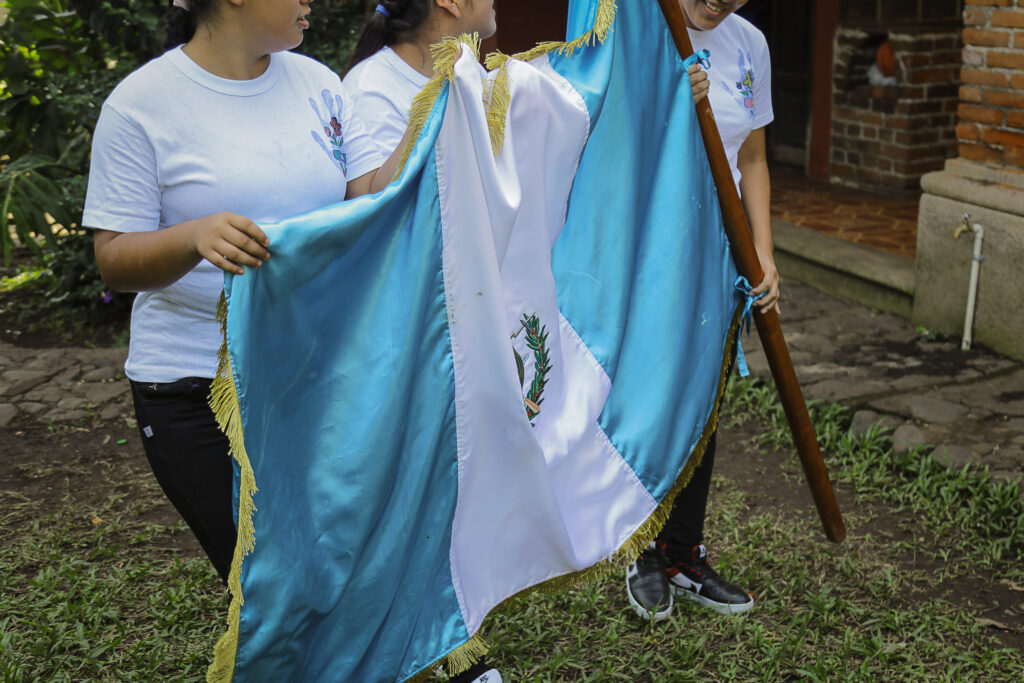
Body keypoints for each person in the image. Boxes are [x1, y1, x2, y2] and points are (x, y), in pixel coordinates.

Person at [84, 0, 398, 587]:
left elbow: (368, 196)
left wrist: (439, 114)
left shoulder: (317, 82)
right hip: (197, 388)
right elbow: (115, 261)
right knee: (272, 586)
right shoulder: (141, 104)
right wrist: (192, 237)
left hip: (316, 371)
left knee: (351, 563)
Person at [340, 4, 501, 682]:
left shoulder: (479, 72)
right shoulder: (373, 85)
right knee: (404, 486)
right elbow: (365, 201)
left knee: (454, 481)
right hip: (405, 325)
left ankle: (441, 636)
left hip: (471, 311)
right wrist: (433, 104)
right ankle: (443, 653)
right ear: (450, 5)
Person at [625, 0, 781, 621]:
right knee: (653, 395)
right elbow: (607, 136)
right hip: (651, 248)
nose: (721, 2)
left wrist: (763, 253)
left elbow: (753, 159)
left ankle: (682, 550)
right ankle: (638, 548)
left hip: (721, 251)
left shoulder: (750, 45)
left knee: (705, 398)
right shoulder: (641, 29)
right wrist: (663, 98)